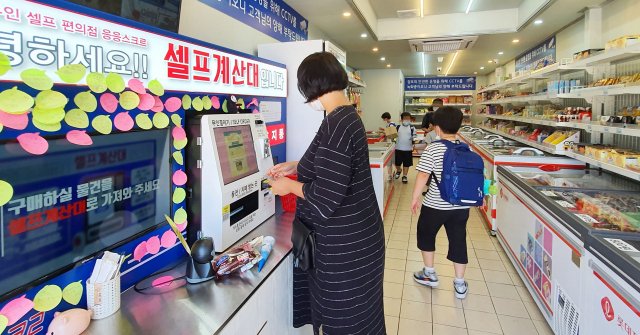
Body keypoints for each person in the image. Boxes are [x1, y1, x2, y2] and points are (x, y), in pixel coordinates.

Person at [266, 52, 386, 335]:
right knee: (361, 317)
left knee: (346, 321)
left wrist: (289, 187)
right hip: (359, 238)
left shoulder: (337, 123)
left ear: (310, 86)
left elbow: (327, 196)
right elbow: (332, 163)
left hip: (346, 247)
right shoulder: (344, 115)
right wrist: (295, 165)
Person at [410, 106, 470, 299]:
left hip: (435, 204)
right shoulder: (464, 147)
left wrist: (414, 198)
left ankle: (429, 274)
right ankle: (460, 284)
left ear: (437, 128)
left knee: (426, 235)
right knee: (458, 240)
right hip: (460, 206)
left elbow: (422, 176)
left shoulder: (433, 148)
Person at [394, 112, 416, 184]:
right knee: (397, 163)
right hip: (398, 148)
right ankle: (399, 170)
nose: (407, 120)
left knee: (406, 163)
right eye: (405, 119)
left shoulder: (412, 128)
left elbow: (415, 137)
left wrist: (414, 139)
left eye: (408, 119)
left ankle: (404, 176)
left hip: (408, 149)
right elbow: (393, 137)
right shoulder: (397, 127)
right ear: (401, 119)